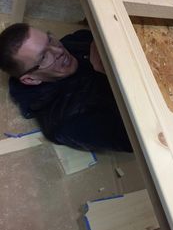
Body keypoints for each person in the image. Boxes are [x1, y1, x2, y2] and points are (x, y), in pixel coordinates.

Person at [0, 23, 133, 152]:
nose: (59, 50)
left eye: (50, 40)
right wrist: (112, 76)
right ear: (31, 79)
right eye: (44, 57)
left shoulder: (72, 43)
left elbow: (86, 35)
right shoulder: (68, 124)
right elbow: (134, 141)